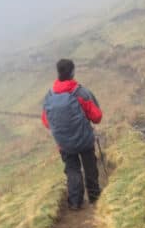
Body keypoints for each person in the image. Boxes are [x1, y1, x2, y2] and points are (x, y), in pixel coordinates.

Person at [41, 58, 103, 210]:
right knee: (90, 166)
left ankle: (75, 202)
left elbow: (46, 122)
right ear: (73, 72)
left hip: (64, 144)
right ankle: (95, 196)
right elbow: (97, 117)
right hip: (84, 140)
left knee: (72, 169)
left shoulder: (49, 96)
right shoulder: (80, 92)